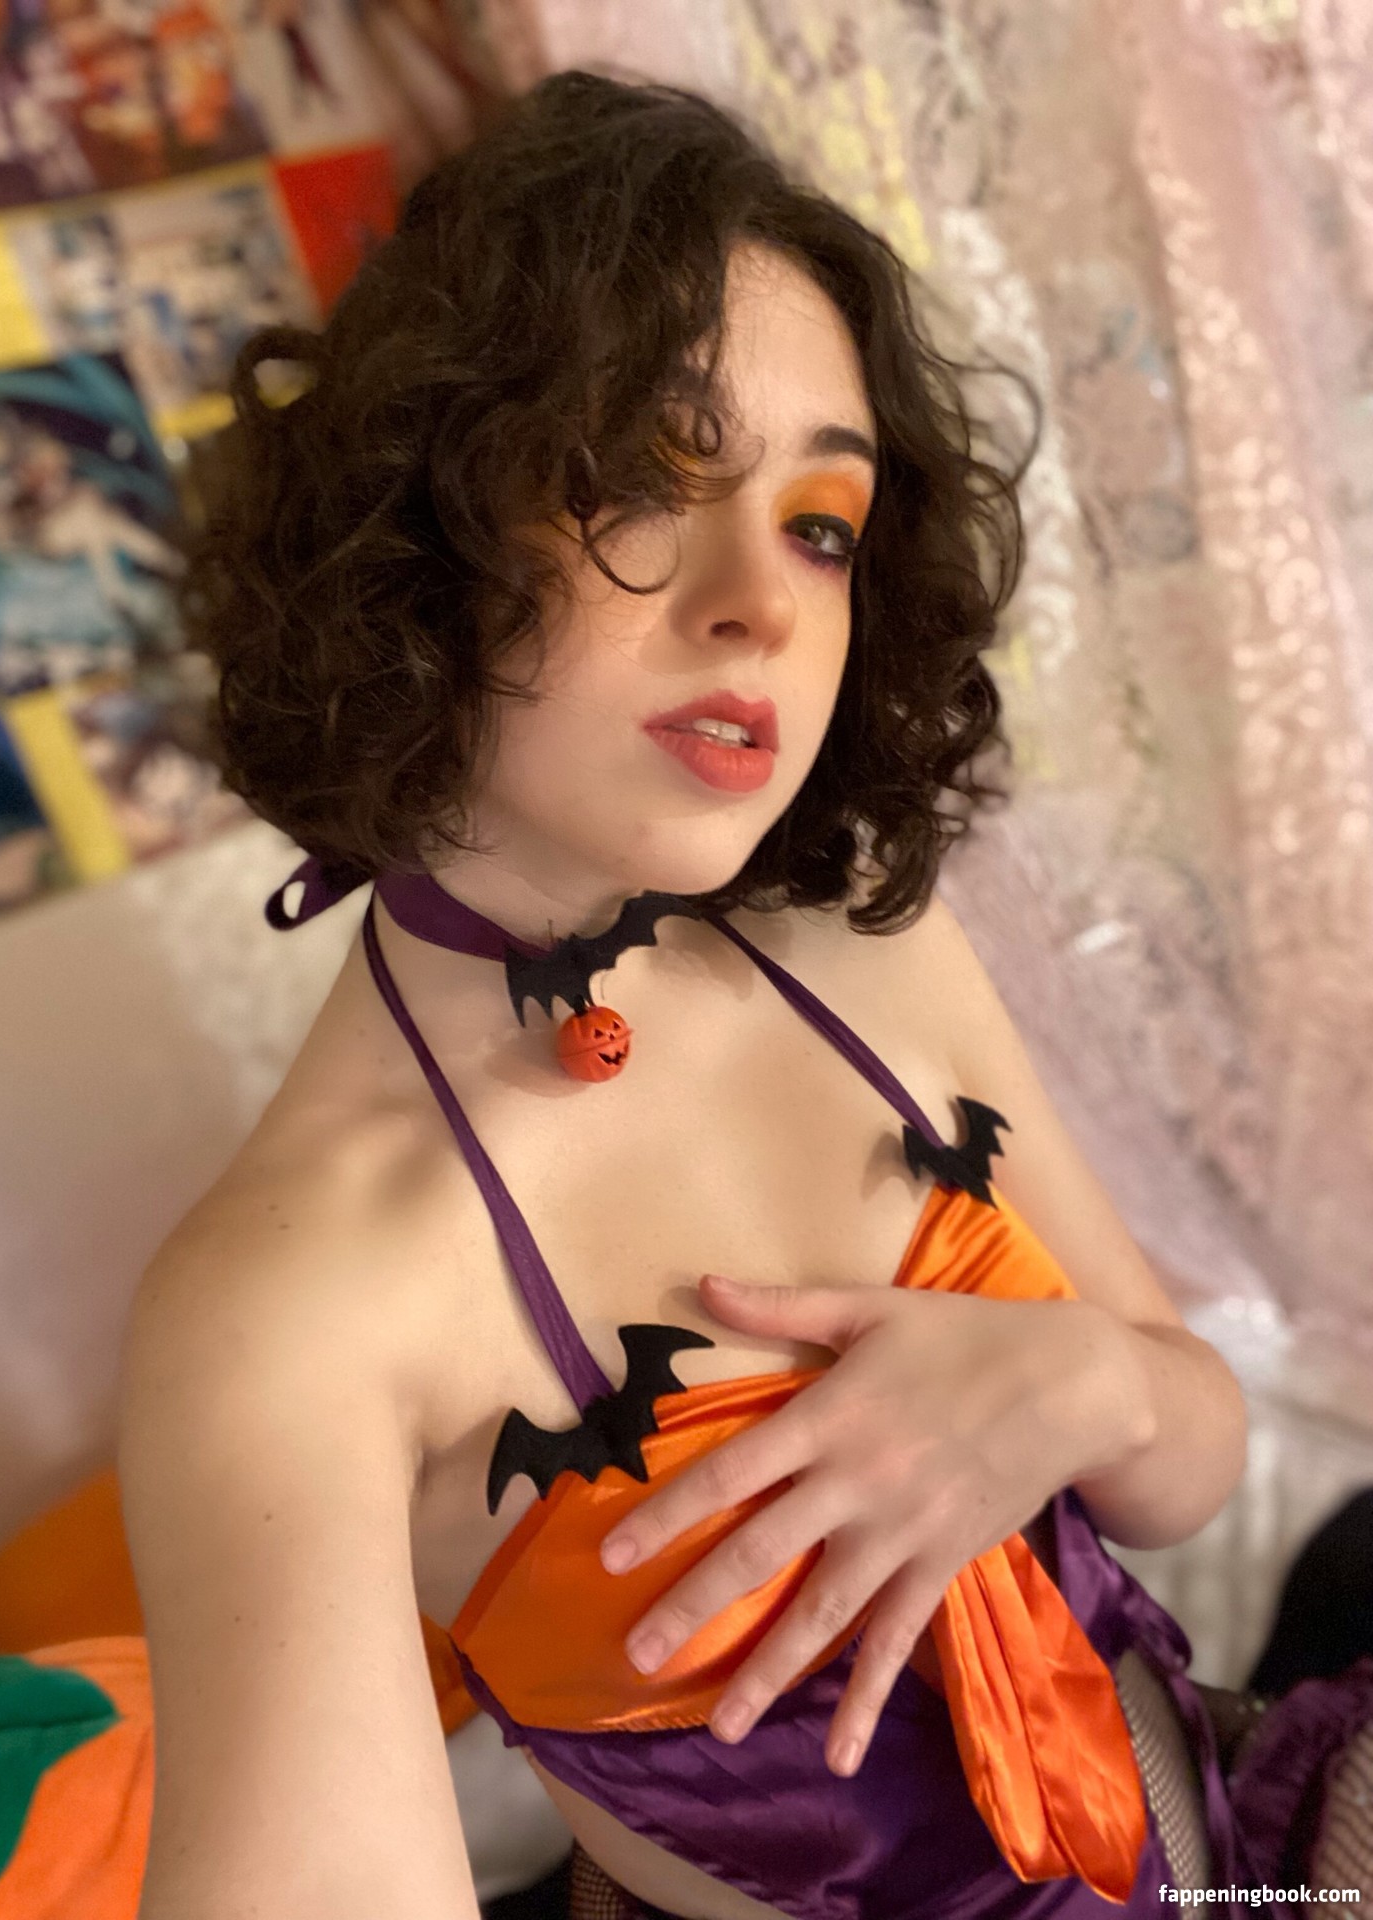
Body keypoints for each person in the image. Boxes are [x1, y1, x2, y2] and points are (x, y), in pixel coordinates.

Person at [118, 68, 1373, 1920]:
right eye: (647, 475)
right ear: (422, 521)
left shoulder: (867, 948)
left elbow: (1191, 1458)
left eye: (819, 523)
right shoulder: (288, 1312)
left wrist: (1085, 1382)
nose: (762, 604)